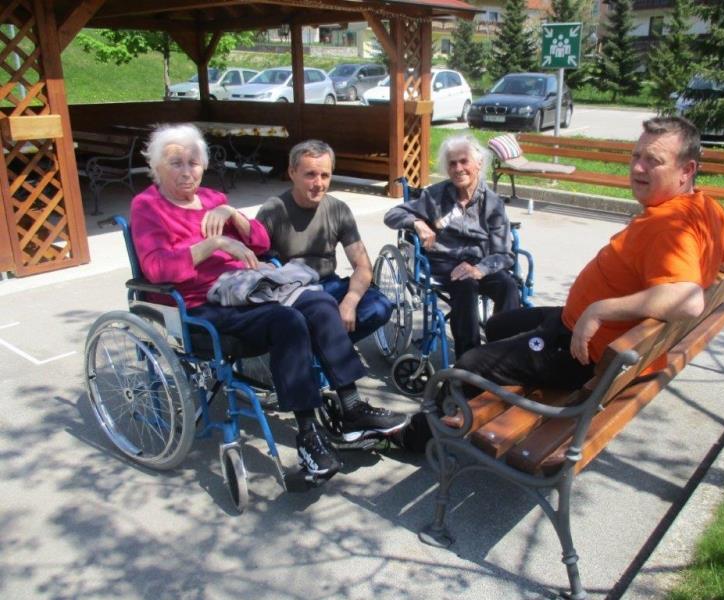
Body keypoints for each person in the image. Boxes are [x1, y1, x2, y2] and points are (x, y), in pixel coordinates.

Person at [130, 124, 407, 481]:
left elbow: (260, 242)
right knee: (288, 322)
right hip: (201, 305)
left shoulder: (212, 198)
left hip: (247, 290)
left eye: (193, 163)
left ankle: (351, 407)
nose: (187, 172)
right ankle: (308, 434)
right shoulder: (148, 206)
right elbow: (156, 269)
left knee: (320, 303)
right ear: (156, 167)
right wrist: (214, 245)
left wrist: (231, 213)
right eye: (176, 163)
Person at [454, 116, 724, 393]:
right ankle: (494, 390)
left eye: (654, 161)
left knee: (466, 366)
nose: (638, 168)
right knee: (498, 325)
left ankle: (442, 424)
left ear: (687, 170)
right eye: (636, 156)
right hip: (574, 323)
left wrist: (599, 310)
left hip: (580, 352)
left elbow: (688, 300)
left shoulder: (667, 226)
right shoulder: (707, 208)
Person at [383, 134, 520, 359]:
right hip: (444, 265)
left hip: (481, 264)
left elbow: (503, 253)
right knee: (465, 285)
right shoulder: (434, 196)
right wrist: (416, 222)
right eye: (452, 163)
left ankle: (504, 353)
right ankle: (470, 359)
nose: (458, 169)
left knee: (508, 286)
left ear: (479, 164)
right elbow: (392, 215)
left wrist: (480, 269)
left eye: (464, 161)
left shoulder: (493, 203)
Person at [256, 140, 392, 343]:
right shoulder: (273, 210)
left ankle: (321, 345)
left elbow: (363, 266)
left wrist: (350, 302)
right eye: (310, 174)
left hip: (328, 285)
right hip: (289, 291)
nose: (319, 183)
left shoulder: (338, 210)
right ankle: (327, 345)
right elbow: (250, 261)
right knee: (302, 322)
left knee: (380, 306)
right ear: (292, 172)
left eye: (325, 175)